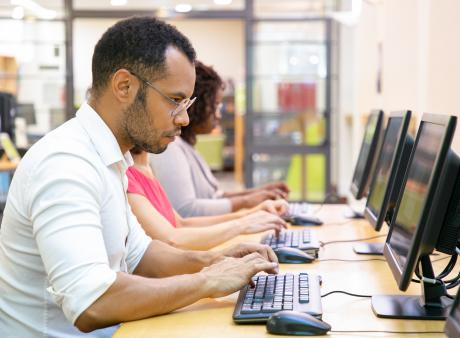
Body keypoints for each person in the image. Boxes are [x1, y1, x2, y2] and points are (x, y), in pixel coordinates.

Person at [0, 17, 279, 338]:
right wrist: (206, 281)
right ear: (124, 86)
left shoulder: (109, 157)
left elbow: (140, 254)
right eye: (175, 101)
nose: (184, 118)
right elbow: (91, 302)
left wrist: (214, 260)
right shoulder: (66, 163)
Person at [150, 61, 290, 217]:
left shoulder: (186, 147)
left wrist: (261, 193)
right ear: (197, 105)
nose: (219, 115)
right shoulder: (170, 148)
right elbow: (186, 210)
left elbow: (214, 196)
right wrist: (246, 202)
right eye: (215, 105)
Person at [127, 146, 288, 250]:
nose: (183, 120)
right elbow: (172, 239)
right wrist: (242, 225)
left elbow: (182, 223)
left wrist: (252, 213)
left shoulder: (146, 169)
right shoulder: (127, 175)